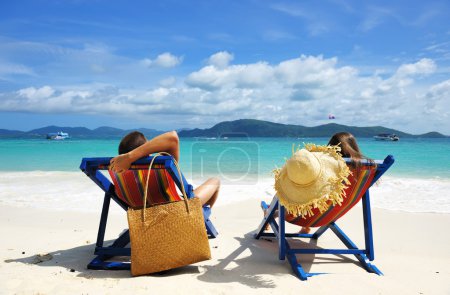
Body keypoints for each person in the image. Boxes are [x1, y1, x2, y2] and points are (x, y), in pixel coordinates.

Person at [110, 130, 220, 208]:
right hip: (177, 212)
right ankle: (200, 218)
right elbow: (172, 138)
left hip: (144, 215)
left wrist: (128, 158)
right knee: (215, 181)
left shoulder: (116, 173)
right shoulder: (159, 166)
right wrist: (131, 156)